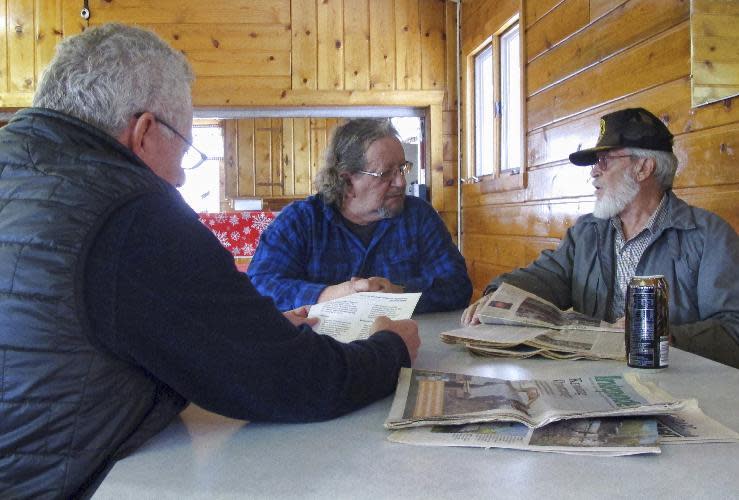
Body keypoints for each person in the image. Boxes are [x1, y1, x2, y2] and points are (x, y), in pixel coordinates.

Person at [0, 24, 420, 498]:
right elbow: (291, 382)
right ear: (143, 133)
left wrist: (237, 330)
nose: (179, 179)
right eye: (185, 150)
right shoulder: (129, 208)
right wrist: (391, 348)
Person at [462, 107, 739, 368]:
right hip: (595, 380)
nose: (594, 171)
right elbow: (545, 276)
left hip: (676, 386)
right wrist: (497, 294)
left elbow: (733, 330)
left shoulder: (708, 236)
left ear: (643, 168)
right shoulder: (588, 232)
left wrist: (662, 334)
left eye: (604, 161)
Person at [247, 118, 473, 314]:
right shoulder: (300, 221)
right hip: (322, 349)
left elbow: (458, 285)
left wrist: (400, 292)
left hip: (406, 344)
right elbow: (259, 286)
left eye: (402, 169)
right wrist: (333, 294)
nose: (401, 182)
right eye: (385, 174)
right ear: (346, 182)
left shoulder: (418, 216)